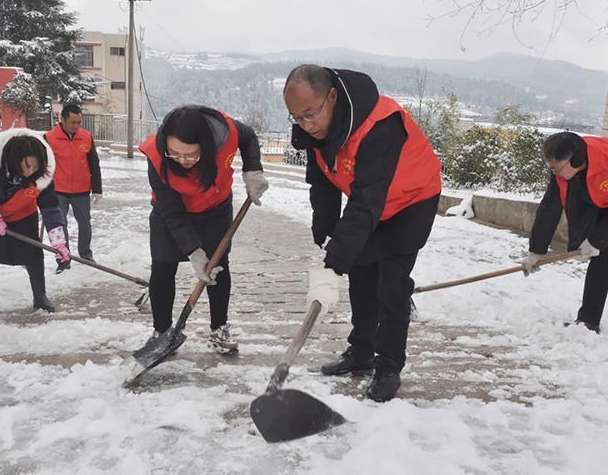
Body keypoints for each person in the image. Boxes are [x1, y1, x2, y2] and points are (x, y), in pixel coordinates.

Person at [283, 64, 442, 402]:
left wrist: (334, 261)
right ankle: (361, 353)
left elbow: (366, 201)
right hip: (371, 203)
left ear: (333, 97)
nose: (305, 125)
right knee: (361, 275)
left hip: (411, 201)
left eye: (310, 114)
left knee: (392, 286)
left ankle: (389, 366)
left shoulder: (381, 126)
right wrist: (325, 230)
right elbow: (323, 181)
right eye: (296, 117)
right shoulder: (316, 130)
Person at [138, 105, 269, 354]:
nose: (182, 161)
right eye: (174, 154)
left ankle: (219, 328)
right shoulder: (155, 155)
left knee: (218, 267)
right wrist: (193, 251)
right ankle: (162, 331)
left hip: (215, 210)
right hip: (171, 214)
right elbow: (173, 214)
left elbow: (249, 136)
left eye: (191, 155)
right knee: (163, 265)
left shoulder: (225, 133)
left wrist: (252, 170)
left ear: (205, 146)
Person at [523, 132, 608, 336]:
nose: (556, 174)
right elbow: (550, 207)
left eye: (558, 169)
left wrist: (597, 240)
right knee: (600, 260)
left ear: (576, 160)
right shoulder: (563, 170)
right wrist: (536, 250)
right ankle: (588, 320)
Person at [0, 128, 71, 314]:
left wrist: (59, 243)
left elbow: (50, 208)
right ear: (14, 161)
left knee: (33, 254)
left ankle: (40, 296)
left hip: (22, 215)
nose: (31, 171)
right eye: (26, 166)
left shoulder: (42, 176)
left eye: (35, 166)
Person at [45, 104, 102, 271]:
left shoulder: (86, 136)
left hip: (81, 190)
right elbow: (44, 165)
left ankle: (85, 254)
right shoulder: (49, 138)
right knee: (59, 225)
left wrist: (97, 189)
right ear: (61, 120)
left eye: (79, 122)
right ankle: (64, 258)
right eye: (72, 122)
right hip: (58, 190)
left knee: (85, 223)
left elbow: (94, 163)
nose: (76, 126)